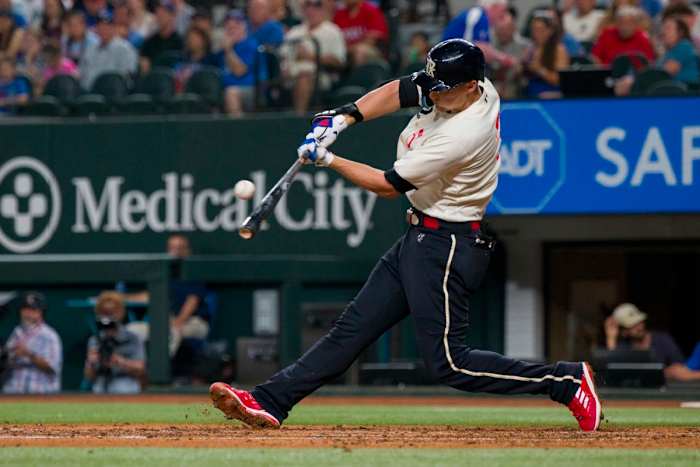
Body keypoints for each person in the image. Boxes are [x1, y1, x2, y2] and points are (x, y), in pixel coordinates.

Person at [209, 38, 603, 433]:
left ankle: (564, 381)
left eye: (442, 89)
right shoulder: (458, 86)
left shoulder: (465, 133)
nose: (432, 94)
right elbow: (401, 89)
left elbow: (386, 184)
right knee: (351, 330)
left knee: (450, 362)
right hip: (420, 236)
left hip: (448, 244)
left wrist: (328, 158)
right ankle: (271, 400)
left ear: (470, 86)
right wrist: (344, 116)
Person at [126, 234, 211, 357]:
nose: (176, 252)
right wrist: (119, 298)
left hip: (194, 323)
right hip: (166, 324)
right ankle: (136, 368)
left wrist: (176, 322)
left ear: (188, 251)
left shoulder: (193, 274)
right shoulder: (165, 275)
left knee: (172, 332)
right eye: (173, 248)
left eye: (180, 248)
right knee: (133, 329)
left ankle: (160, 373)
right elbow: (148, 296)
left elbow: (192, 302)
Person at [604, 303, 700, 381]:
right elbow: (613, 373)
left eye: (640, 322)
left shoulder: (662, 340)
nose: (639, 327)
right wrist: (611, 338)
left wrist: (664, 373)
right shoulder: (623, 346)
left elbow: (681, 369)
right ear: (624, 332)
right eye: (632, 325)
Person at [281, 0, 346, 114]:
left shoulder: (332, 31)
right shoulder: (295, 32)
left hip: (320, 75)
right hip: (290, 74)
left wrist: (311, 56)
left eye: (316, 6)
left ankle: (298, 118)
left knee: (303, 77)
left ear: (322, 9)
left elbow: (338, 62)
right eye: (308, 6)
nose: (311, 10)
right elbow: (283, 56)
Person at [84, 291, 146, 394]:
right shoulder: (94, 340)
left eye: (112, 313)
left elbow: (142, 371)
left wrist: (120, 362)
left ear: (120, 312)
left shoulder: (132, 338)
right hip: (101, 385)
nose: (108, 317)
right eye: (104, 313)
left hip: (125, 385)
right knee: (98, 388)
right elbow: (89, 376)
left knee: (121, 387)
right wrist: (91, 363)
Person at [2, 292, 62, 394]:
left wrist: (29, 354)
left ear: (41, 312)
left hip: (40, 390)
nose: (28, 313)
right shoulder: (17, 332)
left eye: (32, 310)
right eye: (25, 309)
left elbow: (53, 367)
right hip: (14, 389)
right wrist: (6, 354)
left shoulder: (49, 335)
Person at [216, 9, 260, 117]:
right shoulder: (222, 48)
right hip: (223, 88)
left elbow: (239, 71)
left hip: (246, 89)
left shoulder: (250, 44)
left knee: (231, 93)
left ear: (243, 27)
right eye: (228, 28)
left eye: (234, 27)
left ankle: (238, 130)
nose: (230, 31)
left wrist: (228, 51)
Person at [79, 11, 138, 90]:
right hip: (90, 93)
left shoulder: (125, 48)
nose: (103, 29)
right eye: (101, 26)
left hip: (114, 93)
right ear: (96, 29)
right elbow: (82, 73)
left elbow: (128, 75)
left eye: (107, 26)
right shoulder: (90, 49)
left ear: (114, 28)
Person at [523, 11, 569, 99]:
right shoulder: (530, 48)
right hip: (530, 91)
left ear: (550, 31)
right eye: (534, 30)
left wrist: (540, 70)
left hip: (550, 92)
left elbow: (559, 80)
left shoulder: (559, 50)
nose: (536, 34)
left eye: (540, 30)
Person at [491, 6, 531, 99]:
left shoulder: (525, 46)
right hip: (493, 87)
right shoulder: (489, 48)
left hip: (517, 87)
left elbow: (522, 70)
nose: (503, 32)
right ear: (495, 31)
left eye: (506, 29)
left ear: (514, 29)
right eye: (500, 29)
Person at [333, 0, 388, 65]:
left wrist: (348, 49)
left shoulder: (371, 10)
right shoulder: (339, 14)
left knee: (360, 51)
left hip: (373, 52)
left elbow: (371, 40)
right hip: (346, 52)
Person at [139, 0, 184, 75]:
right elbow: (144, 67)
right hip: (153, 80)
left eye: (164, 13)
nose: (160, 16)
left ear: (172, 16)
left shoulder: (181, 42)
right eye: (158, 13)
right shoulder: (150, 42)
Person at [657, 15, 700, 86]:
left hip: (687, 91)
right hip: (674, 90)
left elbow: (666, 72)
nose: (663, 32)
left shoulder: (684, 46)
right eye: (663, 28)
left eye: (668, 28)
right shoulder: (670, 50)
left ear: (680, 32)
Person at [175, 26, 218, 91]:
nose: (190, 41)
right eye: (189, 38)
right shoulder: (181, 59)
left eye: (194, 38)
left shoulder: (212, 60)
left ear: (204, 41)